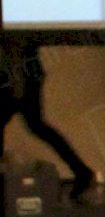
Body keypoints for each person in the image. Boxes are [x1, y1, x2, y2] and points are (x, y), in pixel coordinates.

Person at [0, 38, 96, 201]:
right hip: (20, 73)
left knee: (37, 126)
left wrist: (17, 88)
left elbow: (16, 48)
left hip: (20, 74)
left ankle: (82, 172)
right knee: (37, 126)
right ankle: (81, 172)